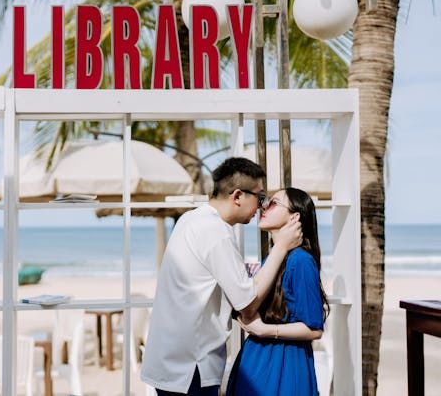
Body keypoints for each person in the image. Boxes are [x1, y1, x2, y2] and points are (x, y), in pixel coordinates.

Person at [141, 157, 303, 396]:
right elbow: (247, 305)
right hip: (189, 365)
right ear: (237, 196)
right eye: (259, 197)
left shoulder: (191, 219)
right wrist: (281, 248)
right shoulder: (216, 232)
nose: (261, 206)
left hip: (171, 358)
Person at [226, 187, 330, 396]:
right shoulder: (273, 259)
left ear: (295, 216)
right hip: (256, 359)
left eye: (273, 203)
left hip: (284, 364)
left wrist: (265, 330)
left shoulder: (300, 261)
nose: (263, 206)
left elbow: (314, 328)